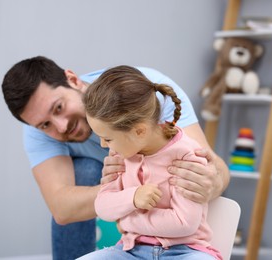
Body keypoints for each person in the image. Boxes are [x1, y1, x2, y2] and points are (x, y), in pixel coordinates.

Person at [1, 56, 230, 260]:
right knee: (86, 170)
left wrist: (208, 181)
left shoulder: (142, 93)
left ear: (72, 79)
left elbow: (211, 167)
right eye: (45, 125)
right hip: (128, 209)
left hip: (172, 209)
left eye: (59, 107)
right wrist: (127, 195)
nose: (60, 126)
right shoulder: (37, 130)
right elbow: (62, 208)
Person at [77, 65, 222, 259]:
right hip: (131, 250)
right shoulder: (120, 154)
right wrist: (133, 197)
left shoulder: (186, 155)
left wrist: (125, 222)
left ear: (139, 131)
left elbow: (184, 223)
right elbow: (103, 207)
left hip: (184, 251)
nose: (104, 145)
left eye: (108, 138)